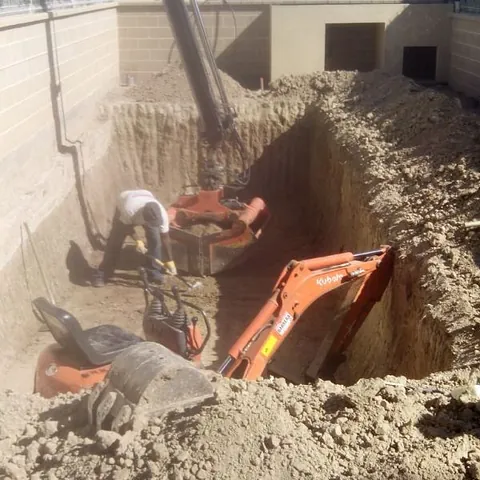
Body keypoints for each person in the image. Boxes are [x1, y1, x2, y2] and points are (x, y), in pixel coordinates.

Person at [92, 189, 177, 287]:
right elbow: (126, 227)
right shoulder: (129, 210)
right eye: (149, 224)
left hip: (145, 196)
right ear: (144, 218)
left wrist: (170, 261)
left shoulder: (162, 216)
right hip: (125, 200)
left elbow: (165, 237)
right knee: (115, 241)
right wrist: (138, 240)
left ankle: (154, 273)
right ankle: (102, 274)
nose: (149, 226)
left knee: (156, 241)